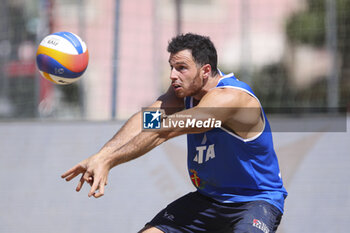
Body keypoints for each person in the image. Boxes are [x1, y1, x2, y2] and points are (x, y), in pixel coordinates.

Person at [61, 33, 288, 233]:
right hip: (210, 199)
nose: (172, 75)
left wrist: (109, 161)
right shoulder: (185, 93)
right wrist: (101, 155)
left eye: (181, 68)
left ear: (205, 70)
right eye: (171, 67)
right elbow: (147, 120)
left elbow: (163, 130)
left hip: (255, 201)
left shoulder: (230, 99)